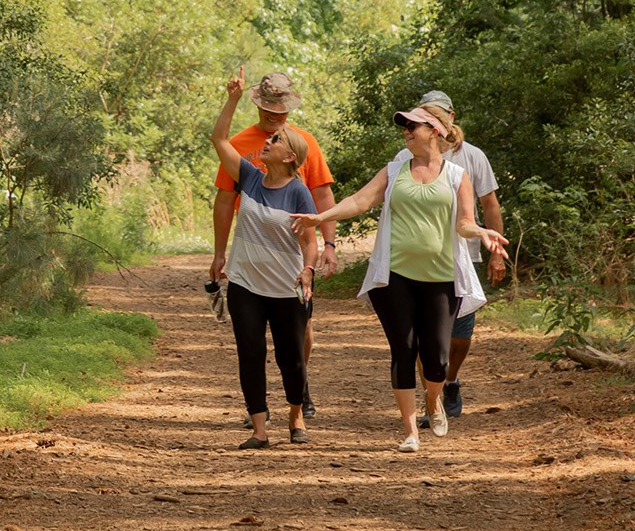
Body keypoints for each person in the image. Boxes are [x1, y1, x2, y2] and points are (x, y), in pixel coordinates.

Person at [295, 103, 508, 453]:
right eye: (404, 126)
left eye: (414, 125)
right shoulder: (394, 171)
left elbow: (464, 222)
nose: (406, 130)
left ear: (435, 131)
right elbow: (360, 201)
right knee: (404, 350)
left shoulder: (456, 176)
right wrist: (322, 218)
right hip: (394, 278)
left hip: (441, 278)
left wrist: (482, 233)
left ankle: (434, 399)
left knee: (437, 358)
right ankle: (410, 430)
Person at [208, 71, 336, 411]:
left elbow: (322, 195)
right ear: (259, 108)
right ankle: (260, 411)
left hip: (293, 254)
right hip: (251, 251)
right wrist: (220, 253)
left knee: (299, 333)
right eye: (270, 112)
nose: (277, 118)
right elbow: (224, 200)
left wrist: (329, 246)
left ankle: (299, 388)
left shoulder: (302, 142)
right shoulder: (242, 146)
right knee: (251, 342)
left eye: (283, 112)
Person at [390, 90, 503, 426]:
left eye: (439, 114)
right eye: (424, 115)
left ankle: (450, 380)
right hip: (417, 265)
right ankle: (431, 401)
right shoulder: (404, 156)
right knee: (428, 338)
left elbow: (490, 205)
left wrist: (493, 251)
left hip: (462, 259)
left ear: (449, 119)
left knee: (459, 336)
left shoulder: (472, 157)